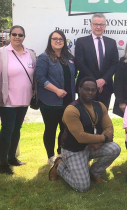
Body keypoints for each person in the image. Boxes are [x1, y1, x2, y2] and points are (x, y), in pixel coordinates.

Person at [48, 77, 121, 192]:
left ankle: (94, 172)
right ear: (79, 89)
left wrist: (100, 141)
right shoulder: (71, 109)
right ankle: (59, 166)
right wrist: (103, 138)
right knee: (82, 187)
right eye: (87, 89)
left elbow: (109, 128)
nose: (90, 92)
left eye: (93, 90)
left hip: (91, 146)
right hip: (73, 149)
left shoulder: (100, 105)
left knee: (115, 148)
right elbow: (80, 137)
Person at [0, 25, 36, 175]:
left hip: (24, 99)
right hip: (7, 100)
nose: (17, 37)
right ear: (9, 36)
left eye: (20, 35)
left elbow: (33, 75)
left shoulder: (30, 54)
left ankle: (12, 158)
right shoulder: (1, 53)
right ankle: (3, 164)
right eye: (14, 34)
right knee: (7, 129)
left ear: (24, 37)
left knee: (17, 129)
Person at [35, 30, 77, 165]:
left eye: (61, 39)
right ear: (50, 41)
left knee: (65, 129)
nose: (58, 41)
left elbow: (73, 75)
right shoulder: (44, 57)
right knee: (51, 129)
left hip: (68, 101)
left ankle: (60, 153)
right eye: (55, 39)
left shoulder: (69, 57)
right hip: (50, 101)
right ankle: (50, 156)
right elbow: (40, 78)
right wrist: (56, 90)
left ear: (64, 42)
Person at [75, 13, 119, 109]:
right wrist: (95, 81)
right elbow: (80, 63)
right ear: (91, 25)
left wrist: (103, 80)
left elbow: (115, 63)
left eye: (101, 24)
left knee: (102, 115)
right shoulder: (81, 42)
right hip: (86, 86)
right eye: (96, 24)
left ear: (105, 26)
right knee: (85, 115)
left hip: (105, 87)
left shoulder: (111, 42)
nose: (98, 27)